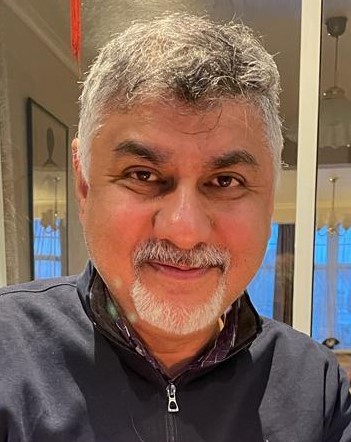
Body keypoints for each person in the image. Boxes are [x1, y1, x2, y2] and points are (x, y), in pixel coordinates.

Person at [0, 13, 350, 442]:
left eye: (226, 181)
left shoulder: (315, 388)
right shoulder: (6, 352)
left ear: (270, 196)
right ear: (84, 184)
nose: (184, 231)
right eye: (143, 175)